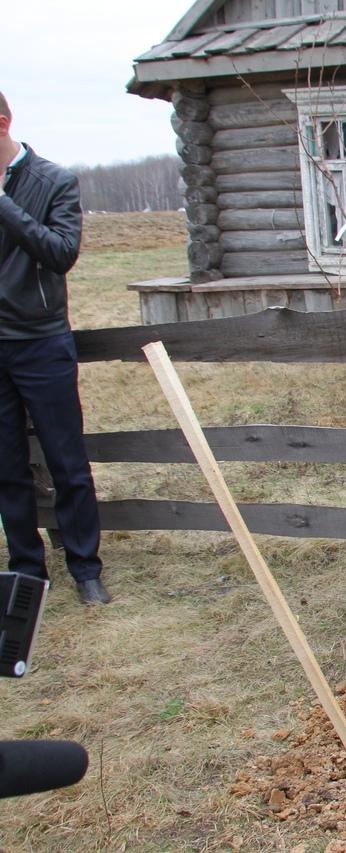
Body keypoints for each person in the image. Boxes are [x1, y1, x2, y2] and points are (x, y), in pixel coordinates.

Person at [0, 90, 109, 606]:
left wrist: (2, 204)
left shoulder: (53, 181)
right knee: (6, 466)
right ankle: (25, 570)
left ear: (2, 124)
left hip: (41, 340)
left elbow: (62, 253)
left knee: (67, 461)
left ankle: (86, 568)